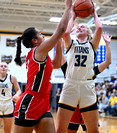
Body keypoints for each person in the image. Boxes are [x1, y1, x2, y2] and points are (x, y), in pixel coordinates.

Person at [13, 1, 72, 132]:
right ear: (34, 41)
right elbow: (61, 29)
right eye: (40, 34)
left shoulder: (41, 55)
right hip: (30, 102)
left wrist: (60, 40)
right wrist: (68, 8)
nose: (43, 35)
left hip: (43, 103)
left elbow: (56, 64)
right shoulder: (37, 51)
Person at [56, 1, 103, 131]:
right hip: (70, 85)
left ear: (88, 33)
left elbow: (99, 29)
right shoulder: (71, 44)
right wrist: (73, 16)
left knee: (93, 130)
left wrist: (94, 12)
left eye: (83, 27)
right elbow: (65, 33)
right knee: (60, 129)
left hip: (87, 86)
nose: (79, 28)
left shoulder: (92, 45)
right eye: (78, 27)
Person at [60, 31, 112, 132]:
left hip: (88, 104)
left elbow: (108, 62)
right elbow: (60, 54)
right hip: (72, 106)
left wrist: (107, 44)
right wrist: (64, 36)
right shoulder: (69, 68)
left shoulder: (91, 70)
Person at [0, 62, 21, 133]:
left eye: (5, 66)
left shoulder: (12, 78)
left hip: (8, 105)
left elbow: (18, 90)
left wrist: (16, 95)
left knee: (7, 131)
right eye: (1, 66)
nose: (3, 67)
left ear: (7, 69)